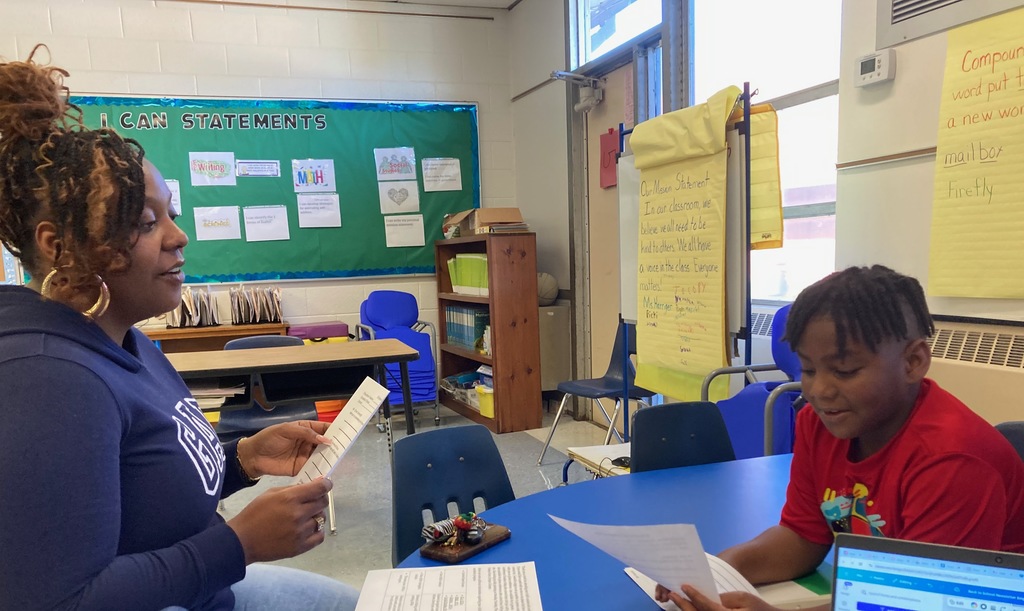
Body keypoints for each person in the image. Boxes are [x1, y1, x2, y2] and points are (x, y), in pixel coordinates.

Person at [0, 47, 359, 610]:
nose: (177, 237)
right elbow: (59, 601)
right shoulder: (50, 378)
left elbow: (148, 487)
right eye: (146, 222)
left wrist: (242, 459)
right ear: (59, 245)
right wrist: (237, 544)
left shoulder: (124, 334)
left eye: (171, 213)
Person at [656, 265, 1024, 611]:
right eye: (808, 369)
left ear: (913, 362)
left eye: (845, 371)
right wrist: (718, 570)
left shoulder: (953, 460)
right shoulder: (823, 424)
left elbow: (917, 601)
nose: (819, 390)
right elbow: (802, 535)